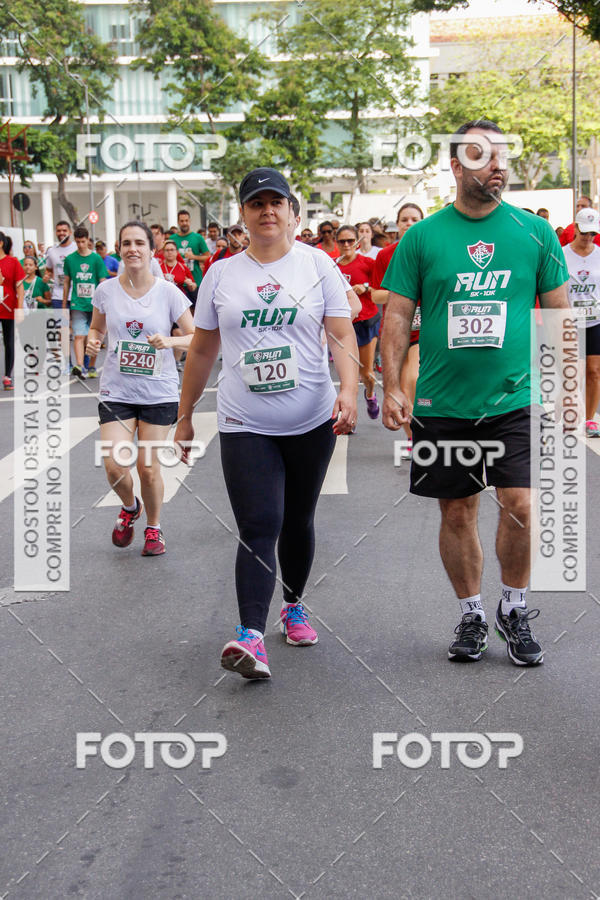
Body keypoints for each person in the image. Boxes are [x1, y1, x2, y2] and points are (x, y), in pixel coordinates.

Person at [381, 119, 570, 667]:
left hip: (516, 398)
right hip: (443, 403)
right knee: (457, 511)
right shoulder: (423, 236)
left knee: (520, 505)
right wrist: (392, 385)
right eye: (484, 156)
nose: (498, 167)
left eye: (502, 156)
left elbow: (558, 314)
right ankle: (471, 614)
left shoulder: (534, 234)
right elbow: (397, 314)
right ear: (457, 165)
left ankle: (513, 609)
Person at [174, 167, 358, 680]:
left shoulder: (317, 266)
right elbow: (203, 348)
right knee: (259, 524)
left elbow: (341, 333)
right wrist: (185, 415)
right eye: (257, 203)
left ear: (294, 214)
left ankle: (293, 606)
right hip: (243, 420)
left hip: (310, 418)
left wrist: (348, 389)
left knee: (297, 521)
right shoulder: (222, 274)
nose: (268, 210)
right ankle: (250, 635)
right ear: (244, 215)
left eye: (278, 202)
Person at [86, 221, 195, 556]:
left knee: (148, 468)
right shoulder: (106, 290)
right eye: (126, 243)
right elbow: (96, 328)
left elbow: (197, 338)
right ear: (119, 250)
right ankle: (130, 507)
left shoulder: (169, 293)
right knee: (115, 465)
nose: (133, 248)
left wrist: (170, 340)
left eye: (139, 243)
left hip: (158, 392)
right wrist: (93, 341)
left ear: (152, 250)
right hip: (116, 390)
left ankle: (153, 527)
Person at [371, 203, 424, 449]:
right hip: (396, 329)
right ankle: (411, 435)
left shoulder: (430, 250)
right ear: (397, 224)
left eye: (415, 219)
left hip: (425, 330)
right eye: (404, 220)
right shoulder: (385, 255)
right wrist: (404, 295)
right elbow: (375, 296)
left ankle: (423, 429)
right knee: (401, 387)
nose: (409, 224)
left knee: (413, 379)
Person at [336, 225, 380, 419]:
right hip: (344, 323)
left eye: (350, 240)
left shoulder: (368, 263)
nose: (346, 245)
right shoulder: (332, 265)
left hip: (366, 320)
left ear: (357, 242)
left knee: (367, 373)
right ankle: (349, 418)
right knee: (348, 376)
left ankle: (370, 394)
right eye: (342, 241)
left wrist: (366, 287)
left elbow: (382, 287)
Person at [563, 207, 600, 437]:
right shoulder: (562, 254)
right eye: (584, 232)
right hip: (570, 320)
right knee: (572, 371)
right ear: (575, 228)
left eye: (592, 234)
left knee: (594, 371)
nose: (588, 238)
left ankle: (590, 420)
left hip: (596, 319)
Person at [63, 226, 107, 378]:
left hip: (95, 304)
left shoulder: (96, 259)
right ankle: (80, 365)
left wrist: (104, 303)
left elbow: (102, 281)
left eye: (83, 241)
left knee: (93, 337)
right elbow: (67, 282)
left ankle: (92, 366)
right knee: (79, 335)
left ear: (88, 240)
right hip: (77, 303)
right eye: (77, 242)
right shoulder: (69, 259)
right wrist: (64, 304)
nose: (80, 245)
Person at [0, 231, 25, 390]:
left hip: (8, 307)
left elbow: (20, 286)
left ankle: (8, 376)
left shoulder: (12, 262)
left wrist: (20, 308)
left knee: (8, 342)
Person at [170, 210, 210, 287]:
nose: (184, 223)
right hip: (178, 282)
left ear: (190, 221)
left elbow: (208, 257)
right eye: (182, 221)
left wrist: (193, 257)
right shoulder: (172, 239)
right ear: (178, 222)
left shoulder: (198, 237)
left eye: (186, 220)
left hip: (195, 280)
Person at [45, 221, 77, 310]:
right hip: (58, 296)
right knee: (62, 323)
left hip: (75, 295)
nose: (61, 233)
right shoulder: (51, 251)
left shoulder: (76, 248)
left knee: (75, 324)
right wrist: (47, 276)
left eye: (64, 230)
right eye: (58, 231)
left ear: (70, 232)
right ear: (55, 232)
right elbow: (49, 269)